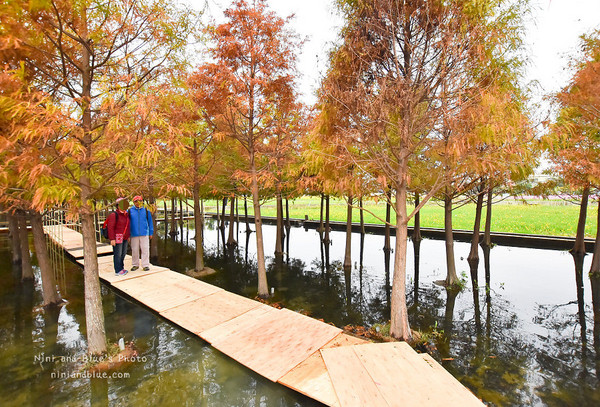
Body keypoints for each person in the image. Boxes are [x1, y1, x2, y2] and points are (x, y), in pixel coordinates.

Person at [128, 195, 154, 271]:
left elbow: (150, 222)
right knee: (135, 250)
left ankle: (145, 265)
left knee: (145, 249)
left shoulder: (146, 210)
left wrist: (151, 232)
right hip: (133, 234)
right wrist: (128, 234)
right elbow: (127, 223)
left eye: (139, 201)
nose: (137, 203)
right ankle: (135, 264)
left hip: (144, 233)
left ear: (142, 201)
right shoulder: (130, 211)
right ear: (133, 202)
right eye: (135, 201)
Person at [107, 197, 130, 276]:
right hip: (117, 237)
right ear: (118, 205)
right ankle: (117, 270)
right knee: (118, 254)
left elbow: (127, 226)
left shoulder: (126, 214)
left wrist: (128, 236)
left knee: (123, 253)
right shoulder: (114, 215)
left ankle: (121, 268)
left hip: (125, 238)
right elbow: (110, 227)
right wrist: (112, 239)